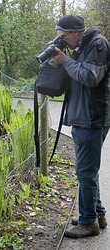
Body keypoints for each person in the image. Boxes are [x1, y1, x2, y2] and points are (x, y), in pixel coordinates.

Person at [52, 15, 110, 238]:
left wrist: (65, 61)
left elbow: (89, 77)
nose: (63, 41)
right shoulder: (81, 46)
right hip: (82, 117)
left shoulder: (98, 44)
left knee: (85, 171)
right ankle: (97, 214)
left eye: (64, 37)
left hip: (92, 118)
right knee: (87, 171)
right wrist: (62, 59)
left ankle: (88, 223)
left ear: (76, 32)